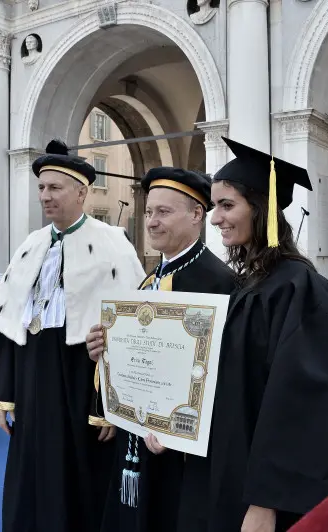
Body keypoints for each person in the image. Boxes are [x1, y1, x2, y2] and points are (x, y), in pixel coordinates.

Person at [0, 140, 146, 532]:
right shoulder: (30, 244)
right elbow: (7, 322)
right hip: (32, 373)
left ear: (81, 192)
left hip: (79, 378)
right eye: (41, 188)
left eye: (55, 188)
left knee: (79, 474)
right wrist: (4, 394)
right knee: (30, 467)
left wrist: (112, 403)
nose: (46, 196)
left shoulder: (114, 245)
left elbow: (130, 329)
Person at [86, 167, 236, 532]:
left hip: (182, 451)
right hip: (136, 435)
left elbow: (228, 376)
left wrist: (181, 434)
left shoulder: (220, 282)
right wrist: (104, 351)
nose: (151, 222)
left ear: (197, 214)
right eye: (150, 212)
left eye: (163, 212)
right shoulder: (150, 280)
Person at [205, 137, 328, 531]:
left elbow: (296, 400)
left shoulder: (298, 284)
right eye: (215, 206)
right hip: (234, 463)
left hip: (266, 488)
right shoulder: (249, 282)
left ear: (261, 208)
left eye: (227, 205)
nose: (215, 218)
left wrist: (268, 500)